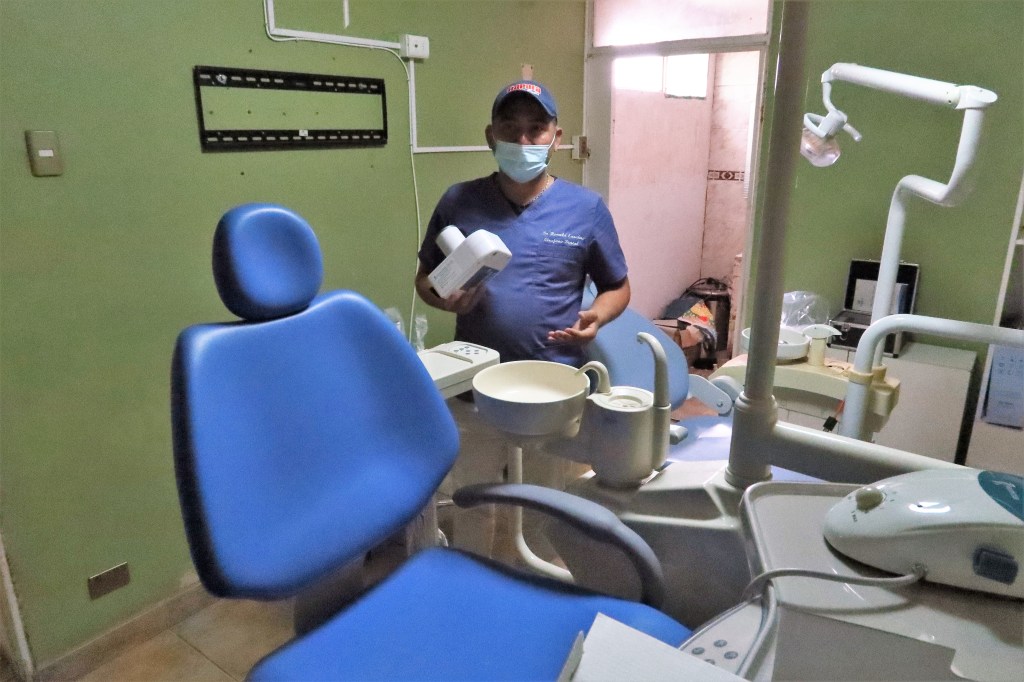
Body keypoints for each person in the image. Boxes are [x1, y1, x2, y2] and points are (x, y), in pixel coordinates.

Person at [415, 79, 631, 556]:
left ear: (557, 137)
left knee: (544, 509)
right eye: (510, 129)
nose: (523, 140)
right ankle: (473, 577)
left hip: (550, 390)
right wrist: (443, 299)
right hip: (475, 387)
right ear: (490, 136)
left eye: (536, 129)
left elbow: (618, 286)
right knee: (473, 500)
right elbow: (426, 278)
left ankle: (538, 580)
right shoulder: (459, 201)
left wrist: (597, 316)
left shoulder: (585, 209)